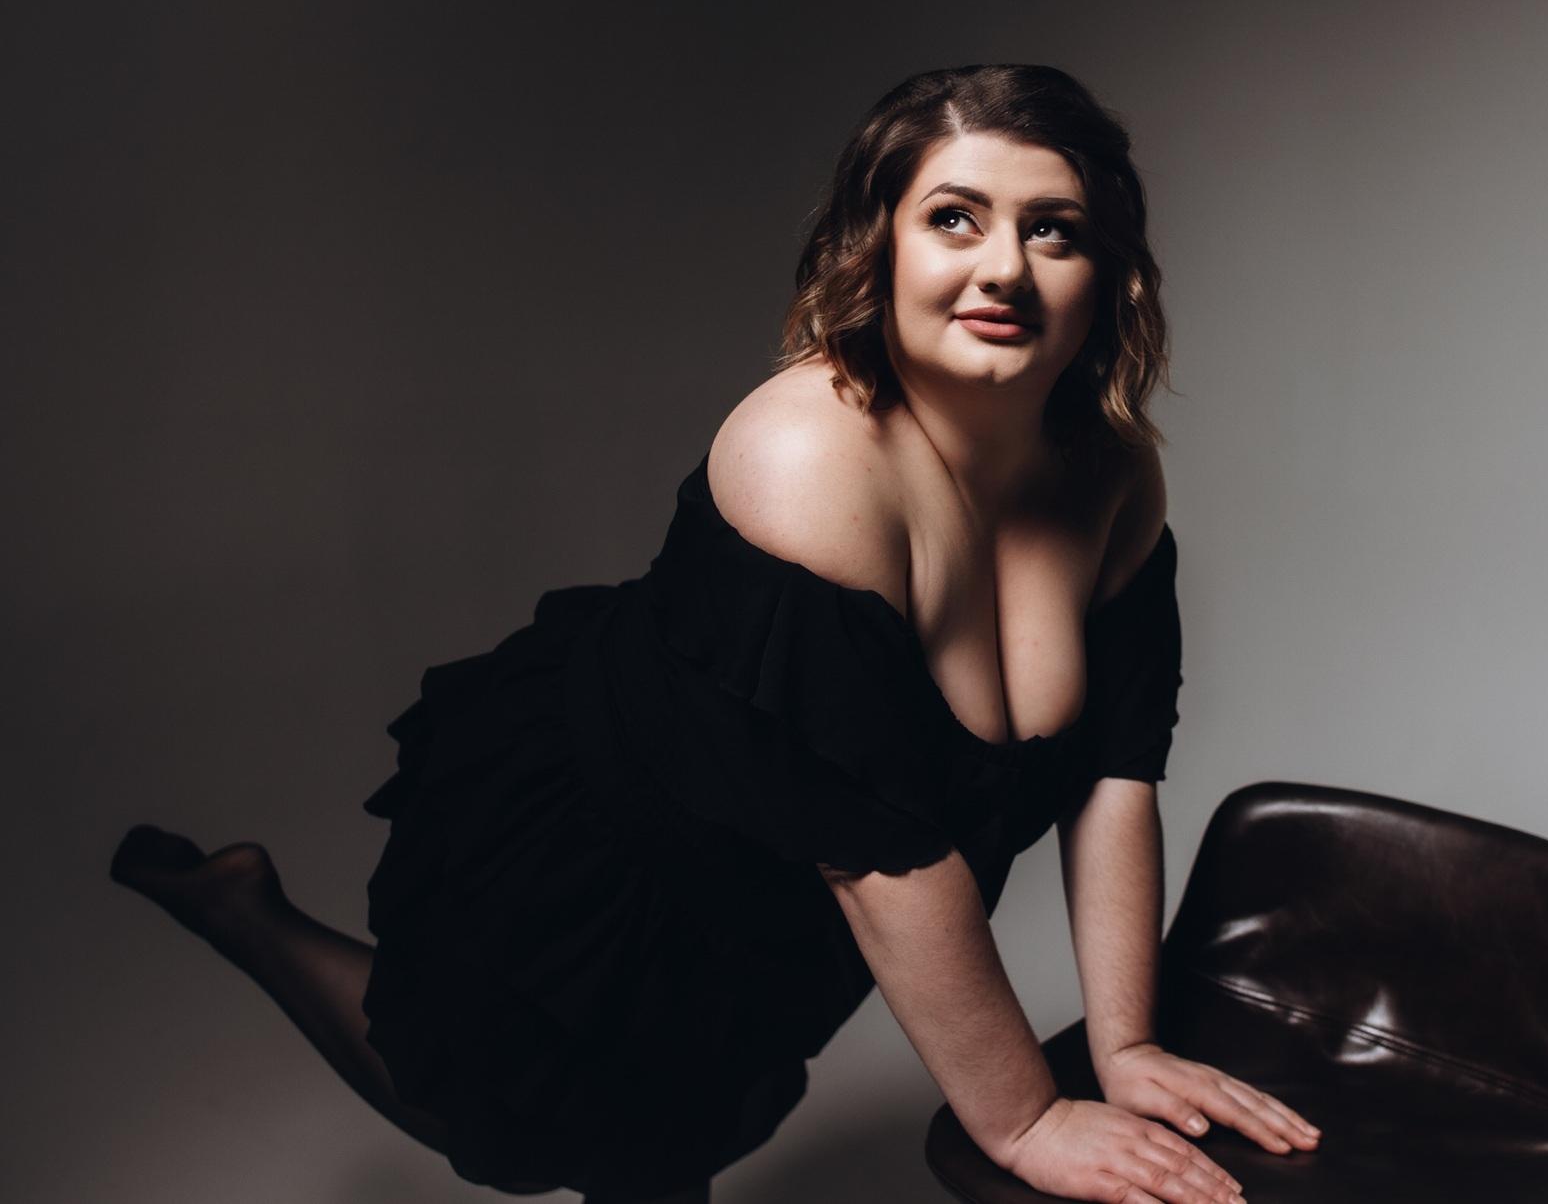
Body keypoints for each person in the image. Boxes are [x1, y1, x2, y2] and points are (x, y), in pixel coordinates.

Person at [110, 64, 1319, 1204]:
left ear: (1105, 271)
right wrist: (1024, 1119)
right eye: (953, 218)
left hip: (797, 904)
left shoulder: (1112, 478)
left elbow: (1113, 771)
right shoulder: (806, 457)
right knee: (482, 1107)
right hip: (613, 850)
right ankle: (247, 915)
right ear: (878, 246)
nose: (1002, 267)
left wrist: (1124, 1044)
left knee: (672, 1137)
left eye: (1050, 229)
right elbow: (880, 855)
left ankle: (246, 910)